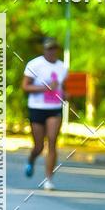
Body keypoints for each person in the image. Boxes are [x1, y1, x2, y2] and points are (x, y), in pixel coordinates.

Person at [22, 37, 69, 190]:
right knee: (39, 146)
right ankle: (31, 159)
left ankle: (48, 179)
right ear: (44, 50)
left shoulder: (62, 67)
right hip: (37, 108)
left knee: (53, 141)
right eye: (49, 49)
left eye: (54, 48)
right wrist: (45, 88)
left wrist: (67, 95)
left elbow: (65, 88)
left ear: (57, 50)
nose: (52, 51)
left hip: (54, 108)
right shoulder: (34, 65)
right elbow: (25, 86)